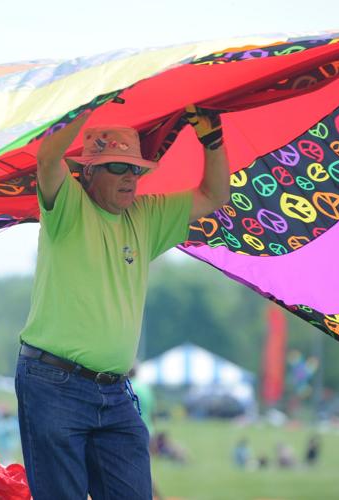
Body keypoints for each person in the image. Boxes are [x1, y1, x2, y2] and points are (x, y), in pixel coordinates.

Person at [15, 105, 229, 499]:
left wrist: (212, 138)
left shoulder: (145, 215)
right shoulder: (69, 205)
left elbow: (216, 195)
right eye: (118, 167)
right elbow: (48, 157)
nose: (131, 176)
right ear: (89, 171)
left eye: (136, 168)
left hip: (114, 392)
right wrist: (90, 102)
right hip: (52, 384)